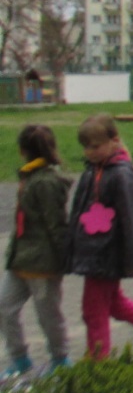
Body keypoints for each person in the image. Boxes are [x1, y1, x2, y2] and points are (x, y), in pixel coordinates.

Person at [65, 115, 133, 359]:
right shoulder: (93, 169)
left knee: (93, 311)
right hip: (94, 251)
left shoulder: (120, 175)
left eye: (95, 146)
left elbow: (129, 219)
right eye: (85, 147)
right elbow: (78, 211)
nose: (89, 152)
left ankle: (99, 362)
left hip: (106, 253)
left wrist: (132, 258)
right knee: (113, 303)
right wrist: (71, 244)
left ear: (114, 140)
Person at [2, 125, 71, 377]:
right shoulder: (29, 177)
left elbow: (57, 225)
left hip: (43, 264)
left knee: (48, 316)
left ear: (22, 151)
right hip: (21, 261)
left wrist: (64, 260)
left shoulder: (46, 182)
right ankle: (20, 360)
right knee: (5, 307)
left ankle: (60, 360)